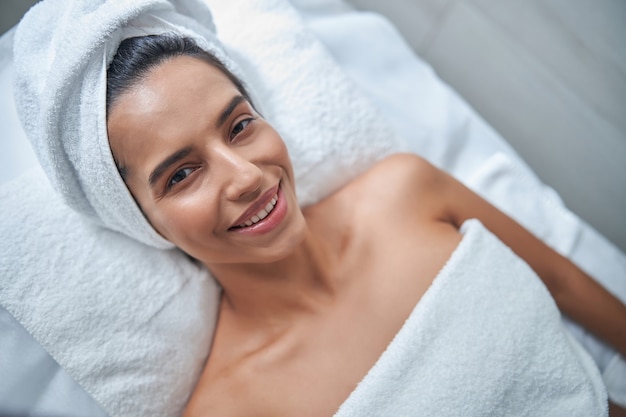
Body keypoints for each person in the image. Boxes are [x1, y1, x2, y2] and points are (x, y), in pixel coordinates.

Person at [105, 34, 626, 416]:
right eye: (182, 174)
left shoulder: (406, 192)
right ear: (142, 222)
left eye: (240, 126)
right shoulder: (231, 408)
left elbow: (562, 283)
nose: (245, 176)